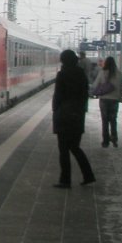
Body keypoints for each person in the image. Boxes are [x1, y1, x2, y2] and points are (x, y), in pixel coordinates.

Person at [51, 49, 95, 189]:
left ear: (63, 60)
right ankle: (88, 175)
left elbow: (58, 96)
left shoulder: (62, 74)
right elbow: (84, 95)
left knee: (63, 150)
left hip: (64, 116)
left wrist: (56, 110)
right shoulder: (81, 74)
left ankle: (65, 180)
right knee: (75, 147)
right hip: (78, 115)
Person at [90, 56, 122, 147]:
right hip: (114, 100)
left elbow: (95, 85)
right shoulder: (119, 73)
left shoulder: (102, 72)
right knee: (113, 120)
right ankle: (114, 138)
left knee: (105, 121)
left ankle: (105, 141)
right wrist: (119, 97)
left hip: (104, 100)